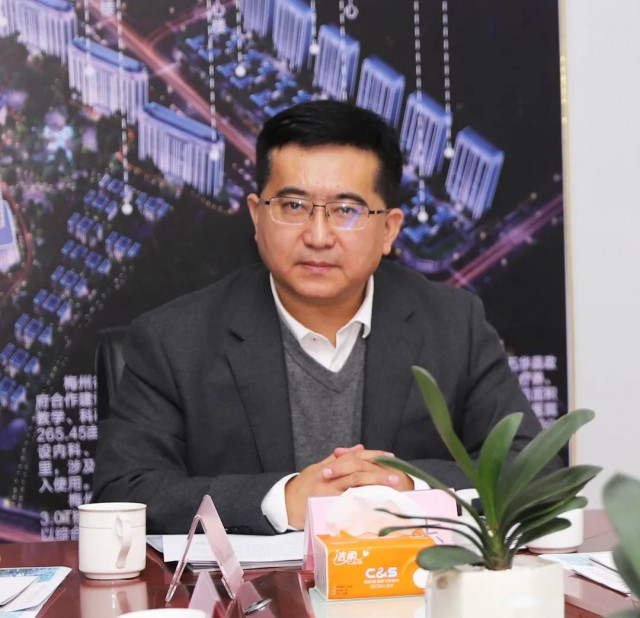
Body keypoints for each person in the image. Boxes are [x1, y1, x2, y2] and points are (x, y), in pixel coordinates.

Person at [93, 100, 556, 535]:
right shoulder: (174, 339)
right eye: (293, 206)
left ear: (389, 229)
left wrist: (405, 486)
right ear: (256, 216)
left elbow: (536, 471)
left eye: (346, 210)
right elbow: (123, 493)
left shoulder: (454, 324)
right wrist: (281, 500)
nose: (318, 236)